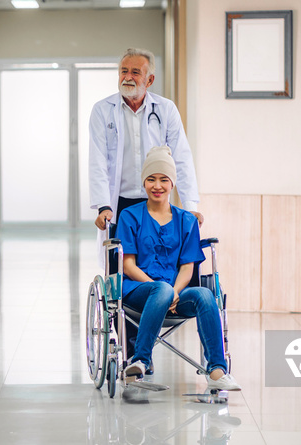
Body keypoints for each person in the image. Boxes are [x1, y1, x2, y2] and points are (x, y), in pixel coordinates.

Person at [116, 146, 241, 392]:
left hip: (175, 291)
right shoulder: (130, 216)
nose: (157, 185)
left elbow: (187, 267)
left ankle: (217, 369)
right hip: (138, 290)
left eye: (164, 179)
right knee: (160, 289)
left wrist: (173, 291)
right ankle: (140, 360)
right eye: (151, 179)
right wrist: (161, 289)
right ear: (144, 183)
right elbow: (128, 265)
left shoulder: (186, 220)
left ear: (172, 183)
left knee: (205, 294)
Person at [88, 47, 203, 230]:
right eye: (123, 71)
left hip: (156, 201)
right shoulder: (102, 110)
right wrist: (103, 206)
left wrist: (189, 206)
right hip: (118, 203)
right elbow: (98, 161)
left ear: (150, 80)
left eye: (135, 72)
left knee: (155, 256)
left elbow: (181, 158)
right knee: (119, 256)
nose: (127, 77)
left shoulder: (166, 109)